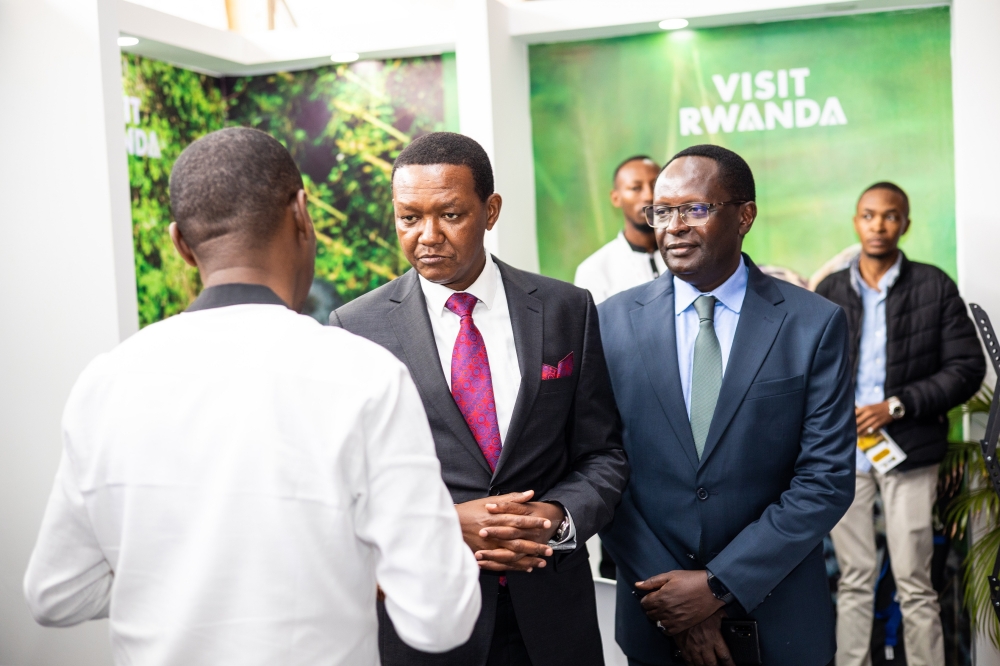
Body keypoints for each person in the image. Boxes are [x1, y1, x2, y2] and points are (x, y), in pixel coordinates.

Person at [23, 127, 481, 666]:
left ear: (179, 243)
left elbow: (55, 593)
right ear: (302, 213)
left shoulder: (106, 381)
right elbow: (440, 617)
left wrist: (178, 590)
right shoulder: (364, 375)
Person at [331, 131, 628, 666]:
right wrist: (445, 523)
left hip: (553, 610)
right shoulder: (355, 327)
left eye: (450, 214)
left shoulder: (567, 308)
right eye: (408, 218)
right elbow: (346, 482)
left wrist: (556, 519)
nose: (427, 236)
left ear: (490, 211)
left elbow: (602, 453)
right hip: (428, 614)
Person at [597, 144, 856, 666]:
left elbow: (824, 479)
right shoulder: (608, 321)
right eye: (662, 211)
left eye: (694, 208)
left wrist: (716, 586)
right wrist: (672, 599)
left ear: (745, 216)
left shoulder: (813, 324)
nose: (673, 226)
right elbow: (602, 468)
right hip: (655, 615)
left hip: (778, 617)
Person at [817, 182, 985, 666]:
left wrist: (897, 405)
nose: (878, 225)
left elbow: (966, 370)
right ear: (856, 221)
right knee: (853, 579)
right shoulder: (830, 290)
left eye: (890, 216)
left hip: (908, 448)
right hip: (844, 454)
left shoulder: (933, 284)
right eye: (868, 215)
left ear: (905, 224)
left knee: (914, 582)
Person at [574, 156, 666, 305]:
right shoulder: (594, 270)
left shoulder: (687, 253)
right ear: (616, 198)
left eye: (656, 186)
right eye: (636, 188)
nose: (649, 196)